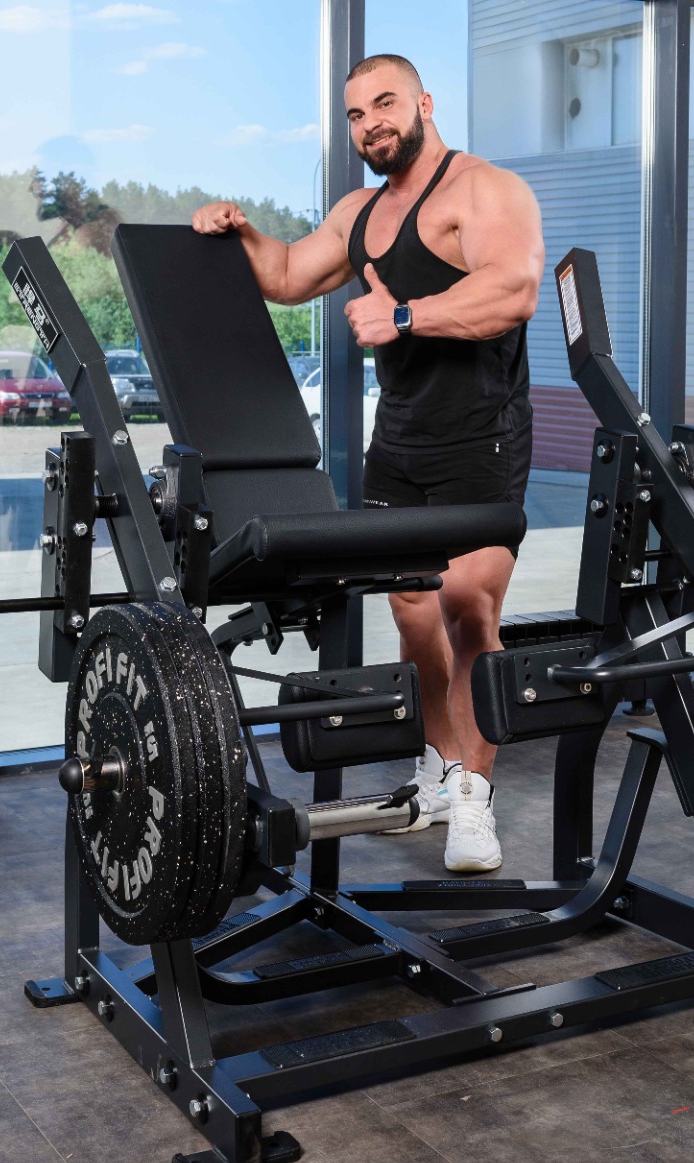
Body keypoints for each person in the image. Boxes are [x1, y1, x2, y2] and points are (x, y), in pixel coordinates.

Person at [193, 54, 543, 872]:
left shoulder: (485, 190)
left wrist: (405, 316)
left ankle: (475, 798)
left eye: (385, 103)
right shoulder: (359, 213)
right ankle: (441, 768)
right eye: (356, 114)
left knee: (467, 608)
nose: (371, 123)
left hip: (481, 437)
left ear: (424, 103)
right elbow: (287, 275)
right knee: (414, 615)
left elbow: (514, 290)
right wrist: (239, 233)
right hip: (400, 445)